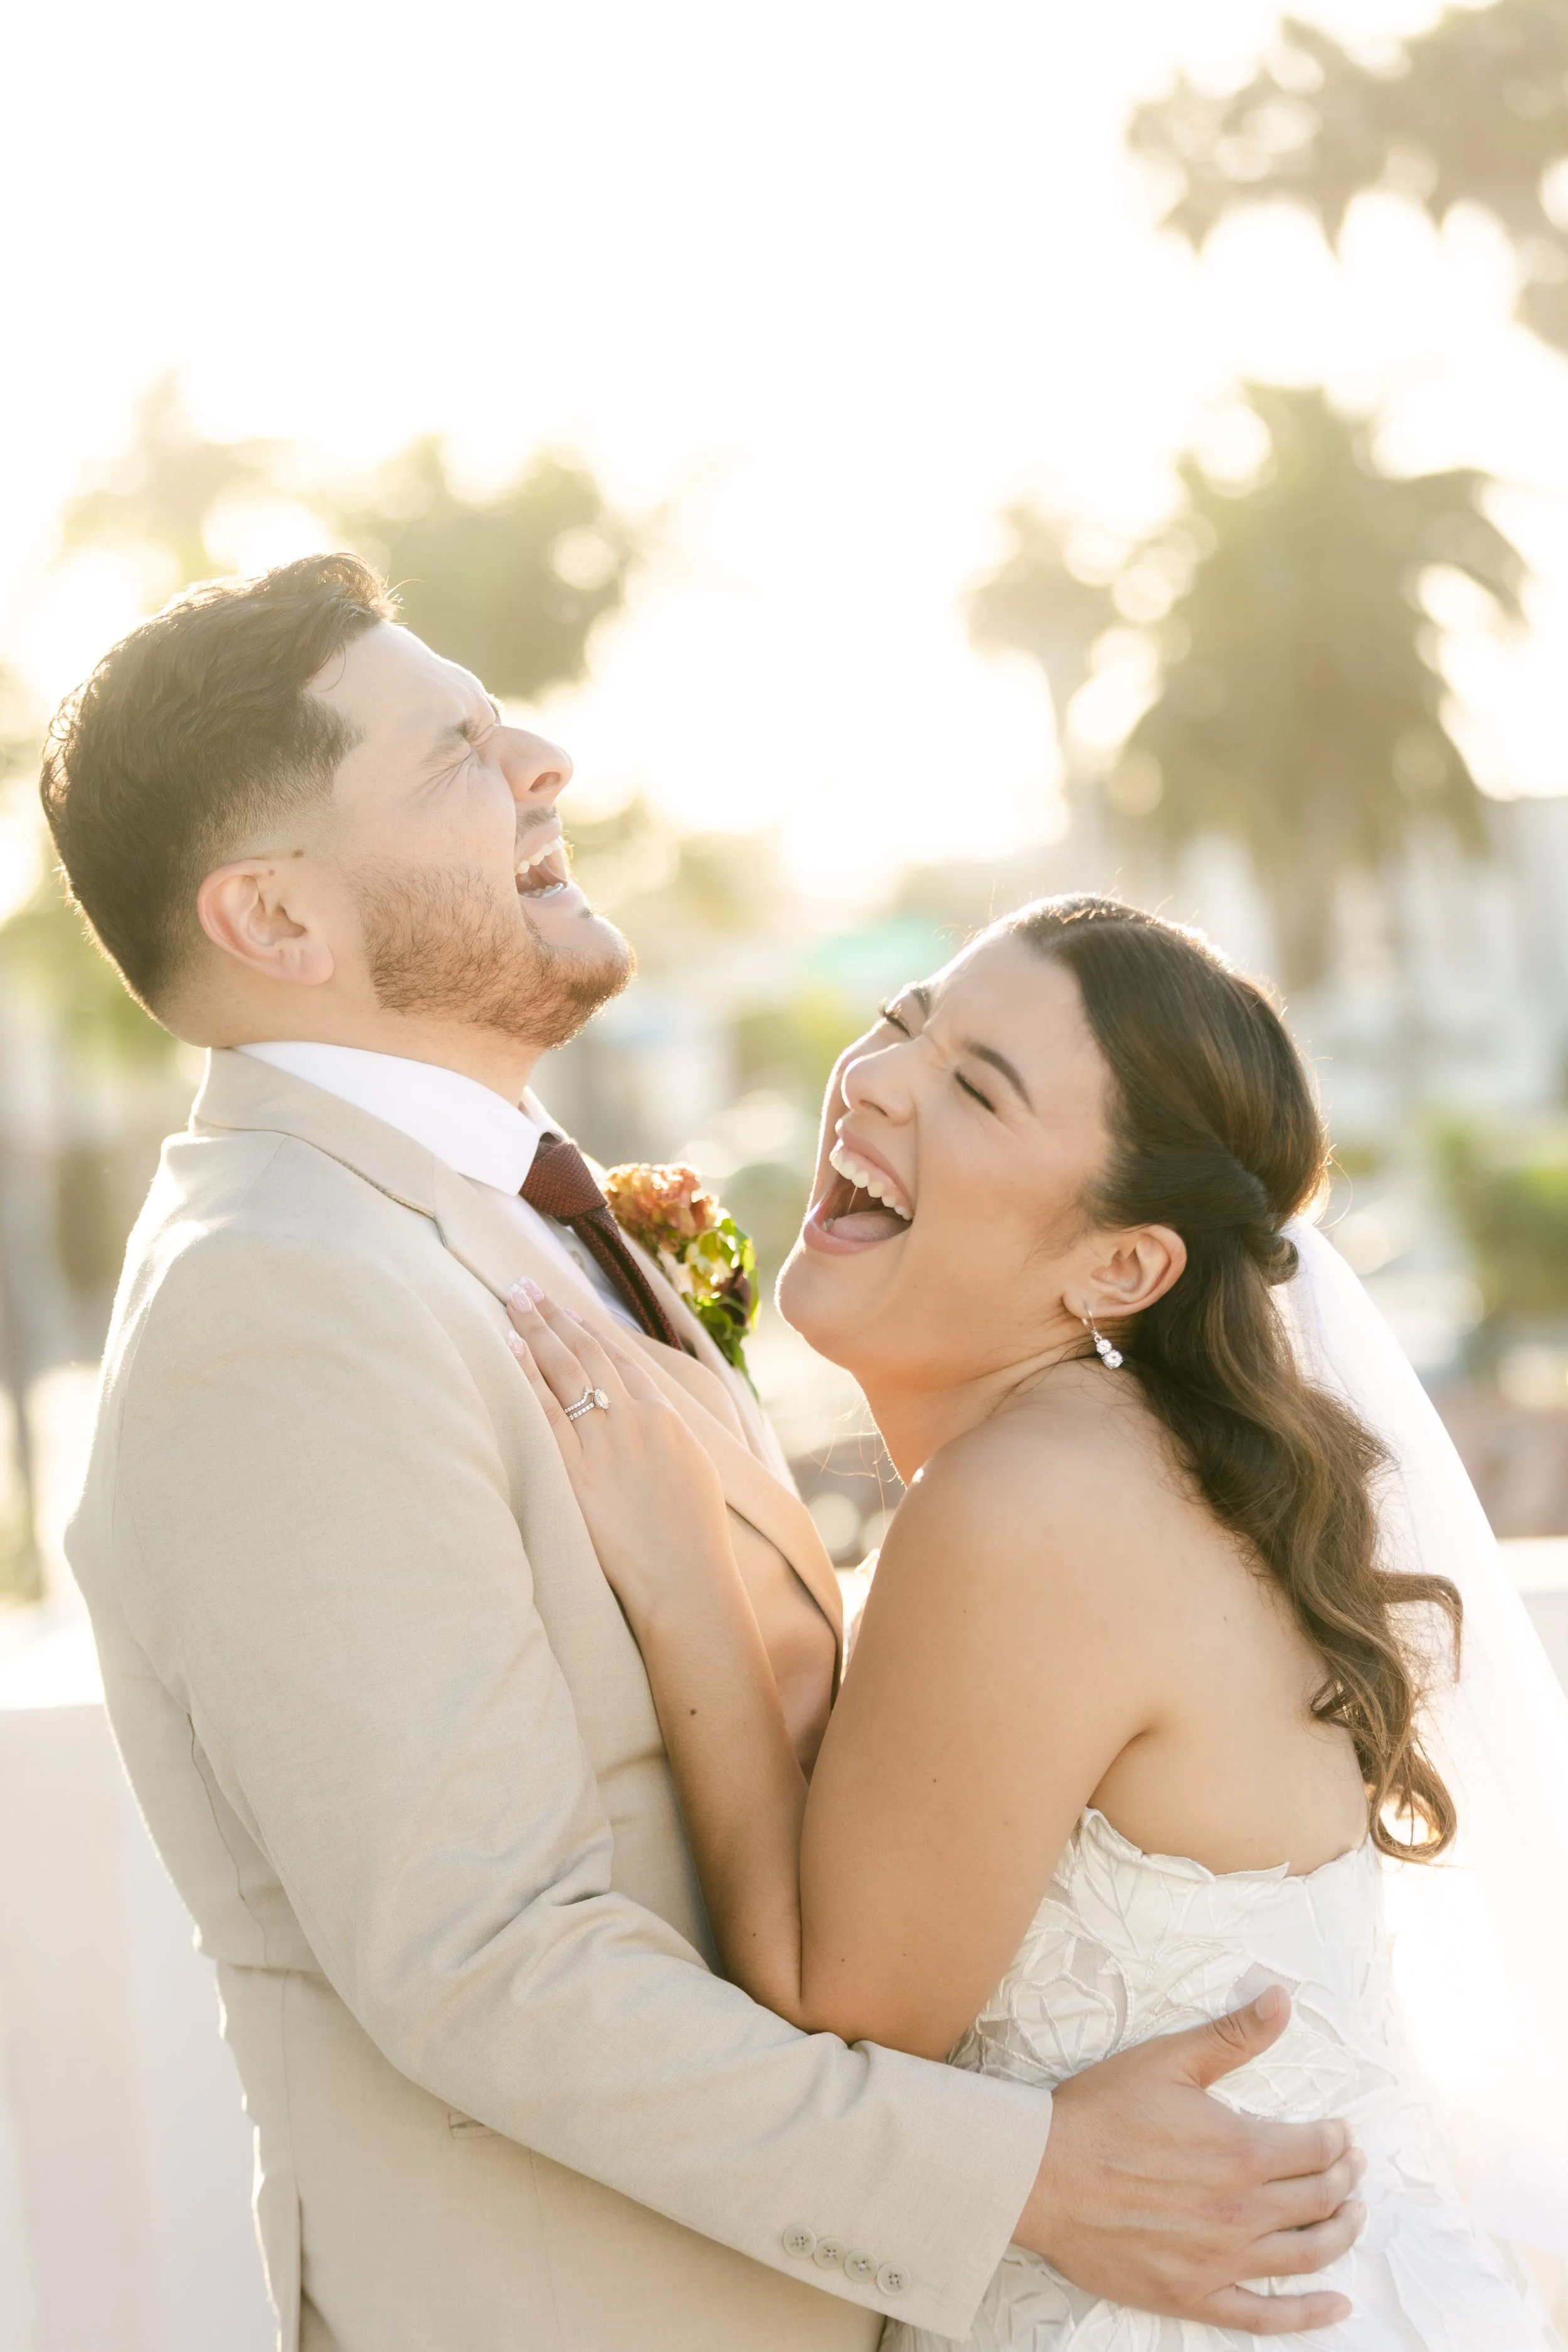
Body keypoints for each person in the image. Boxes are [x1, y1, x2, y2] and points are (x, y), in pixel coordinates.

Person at [40, 558, 1367, 2352]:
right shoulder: (282, 1294)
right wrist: (1022, 2178)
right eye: (452, 752)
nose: (544, 759)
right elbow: (487, 1961)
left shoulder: (501, 1220)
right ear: (277, 917)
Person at [509, 898, 1561, 2349]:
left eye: (975, 1087)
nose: (874, 1081)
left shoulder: (1035, 1499)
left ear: (1119, 1267)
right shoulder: (1137, 1466)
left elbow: (843, 2011)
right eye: (902, 1025)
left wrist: (687, 1585)